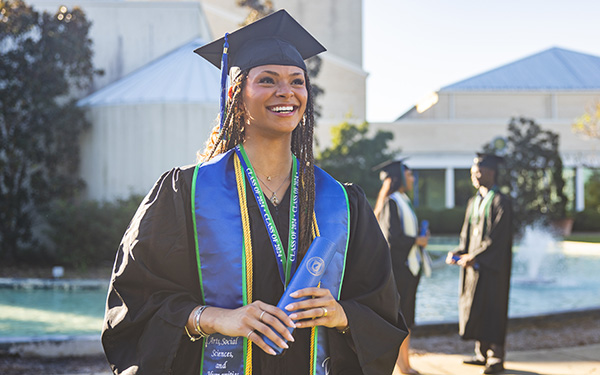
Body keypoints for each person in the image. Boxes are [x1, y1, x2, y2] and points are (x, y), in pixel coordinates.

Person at [101, 10, 407, 375]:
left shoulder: (341, 202)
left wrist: (341, 315)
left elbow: (382, 306)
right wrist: (212, 318)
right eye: (267, 80)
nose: (286, 92)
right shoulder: (186, 192)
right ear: (236, 94)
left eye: (297, 81)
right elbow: (133, 300)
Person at [446, 153, 513, 375]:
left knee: (493, 308)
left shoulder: (501, 201)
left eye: (479, 170)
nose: (474, 174)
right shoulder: (474, 202)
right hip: (474, 267)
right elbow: (466, 236)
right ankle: (481, 353)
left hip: (493, 269)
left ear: (492, 172)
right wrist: (458, 253)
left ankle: (496, 356)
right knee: (476, 307)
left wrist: (475, 257)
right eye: (473, 170)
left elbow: (498, 239)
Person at [373, 159, 431, 375]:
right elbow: (391, 239)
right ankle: (402, 366)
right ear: (398, 176)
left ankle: (405, 364)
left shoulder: (403, 201)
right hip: (398, 271)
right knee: (399, 318)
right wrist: (416, 240)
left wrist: (419, 239)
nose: (412, 178)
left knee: (405, 318)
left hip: (408, 269)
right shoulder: (392, 202)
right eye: (409, 174)